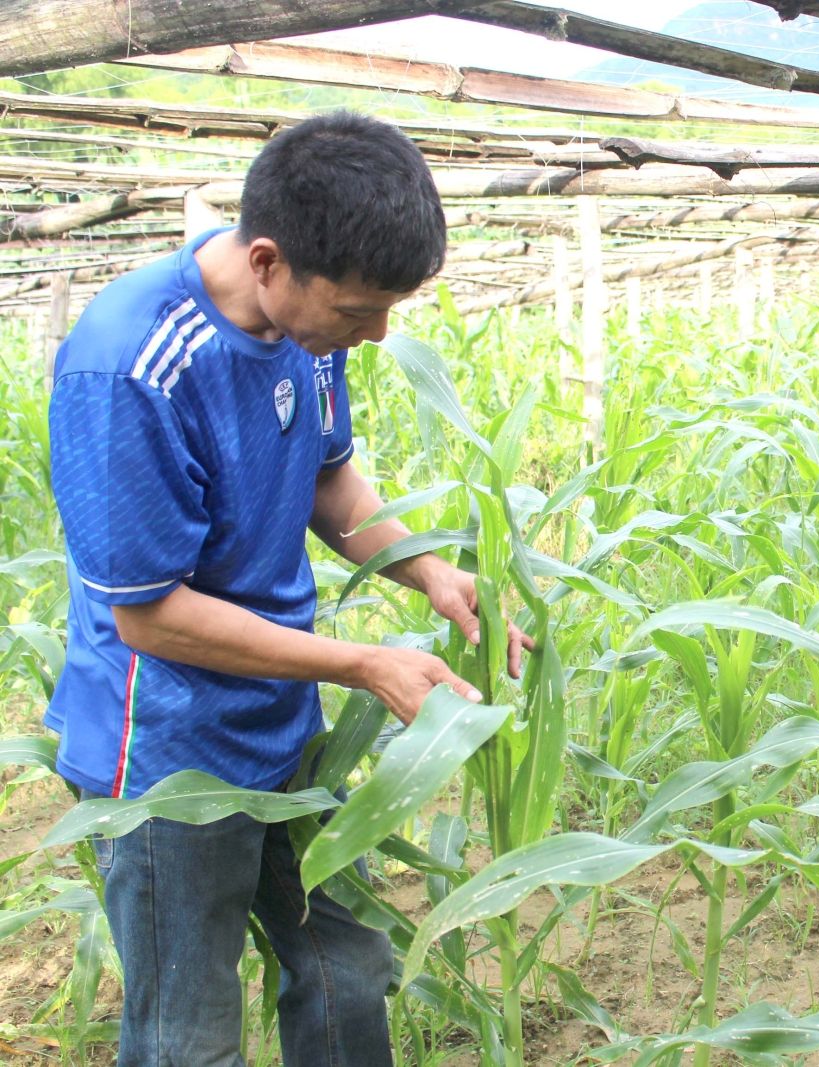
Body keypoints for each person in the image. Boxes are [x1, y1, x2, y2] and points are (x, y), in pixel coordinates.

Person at [46, 111, 532, 1066]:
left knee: (347, 966)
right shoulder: (131, 363)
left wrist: (430, 570)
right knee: (189, 1035)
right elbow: (147, 614)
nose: (378, 333)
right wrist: (362, 662)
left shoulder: (310, 333)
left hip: (282, 719)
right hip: (168, 758)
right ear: (269, 261)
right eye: (360, 313)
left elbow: (325, 478)